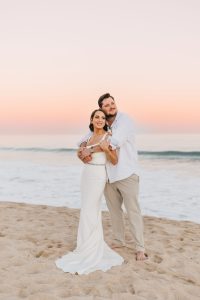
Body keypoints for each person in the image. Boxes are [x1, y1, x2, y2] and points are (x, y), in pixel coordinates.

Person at [78, 93, 147, 261]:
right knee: (114, 212)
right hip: (107, 177)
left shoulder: (125, 121)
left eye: (113, 103)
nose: (111, 106)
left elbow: (113, 143)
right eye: (107, 105)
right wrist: (82, 149)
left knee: (133, 212)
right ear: (101, 109)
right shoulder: (102, 123)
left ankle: (140, 248)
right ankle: (119, 240)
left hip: (126, 174)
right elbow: (83, 140)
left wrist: (90, 150)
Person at [55, 109, 124, 275]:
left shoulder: (108, 138)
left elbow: (115, 161)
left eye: (102, 117)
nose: (99, 120)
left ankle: (91, 249)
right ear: (92, 120)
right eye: (96, 117)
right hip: (86, 174)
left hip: (98, 176)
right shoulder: (88, 138)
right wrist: (81, 154)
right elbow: (82, 155)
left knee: (91, 209)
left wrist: (106, 150)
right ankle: (84, 245)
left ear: (106, 122)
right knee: (86, 209)